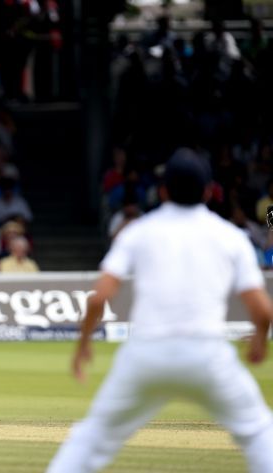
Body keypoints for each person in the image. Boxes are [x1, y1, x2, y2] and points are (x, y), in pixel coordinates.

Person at [46, 149, 273, 473]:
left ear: (163, 191)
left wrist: (83, 344)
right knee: (260, 433)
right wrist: (259, 343)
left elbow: (98, 299)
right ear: (209, 191)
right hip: (207, 356)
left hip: (145, 355)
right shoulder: (231, 237)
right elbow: (263, 310)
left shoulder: (138, 231)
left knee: (91, 438)